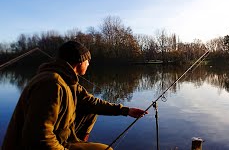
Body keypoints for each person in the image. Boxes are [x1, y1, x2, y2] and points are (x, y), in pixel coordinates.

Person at [2, 40, 147, 150]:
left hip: (61, 139)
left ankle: (78, 141)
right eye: (88, 61)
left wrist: (126, 111)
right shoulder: (52, 84)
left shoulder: (67, 82)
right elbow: (38, 138)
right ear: (80, 61)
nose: (89, 64)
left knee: (90, 110)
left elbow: (92, 102)